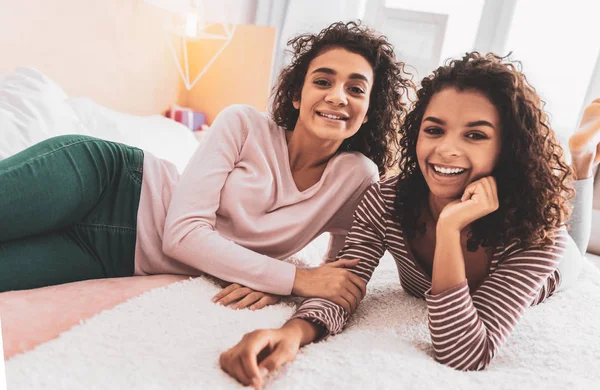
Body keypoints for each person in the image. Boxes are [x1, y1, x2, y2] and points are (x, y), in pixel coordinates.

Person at [219, 52, 600, 388]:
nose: (446, 150)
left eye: (475, 135)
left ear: (508, 148)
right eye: (434, 130)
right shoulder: (387, 200)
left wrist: (449, 229)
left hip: (559, 263)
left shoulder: (538, 237)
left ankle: (580, 163)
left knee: (577, 250)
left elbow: (464, 353)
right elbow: (344, 284)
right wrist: (291, 333)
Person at [0, 20, 412, 309]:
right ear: (297, 96)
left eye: (355, 88)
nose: (338, 96)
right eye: (322, 81)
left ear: (368, 110)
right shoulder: (242, 124)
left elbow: (339, 275)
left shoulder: (358, 176)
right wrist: (291, 280)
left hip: (113, 255)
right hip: (104, 182)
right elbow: (182, 235)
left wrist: (290, 286)